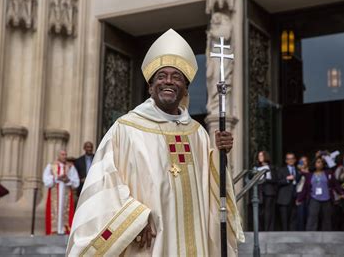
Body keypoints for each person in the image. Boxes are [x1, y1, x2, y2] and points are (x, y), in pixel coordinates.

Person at [66, 28, 244, 256]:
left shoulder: (197, 133)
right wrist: (135, 216)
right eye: (161, 76)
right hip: (149, 242)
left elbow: (208, 190)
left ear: (186, 88)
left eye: (176, 76)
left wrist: (220, 154)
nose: (168, 81)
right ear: (150, 87)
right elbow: (104, 184)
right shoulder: (126, 129)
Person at [297, 156, 344, 231]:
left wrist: (341, 193)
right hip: (314, 198)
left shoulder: (328, 173)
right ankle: (310, 236)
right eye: (318, 162)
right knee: (312, 217)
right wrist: (300, 199)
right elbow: (305, 188)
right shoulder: (309, 175)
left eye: (321, 162)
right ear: (314, 164)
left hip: (327, 198)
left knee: (327, 219)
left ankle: (326, 237)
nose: (320, 164)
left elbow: (335, 184)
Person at [43, 149, 80, 235]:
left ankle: (64, 229)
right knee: (55, 210)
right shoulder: (51, 166)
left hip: (66, 193)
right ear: (58, 155)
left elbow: (76, 181)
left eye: (65, 154)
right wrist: (56, 178)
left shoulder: (70, 166)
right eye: (63, 155)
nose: (65, 156)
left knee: (65, 210)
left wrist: (68, 180)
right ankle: (54, 230)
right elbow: (46, 179)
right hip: (54, 192)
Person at [276, 152, 302, 231]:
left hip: (295, 198)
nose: (290, 160)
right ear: (286, 161)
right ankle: (284, 236)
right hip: (284, 198)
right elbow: (277, 182)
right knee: (284, 220)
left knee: (293, 219)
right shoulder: (281, 170)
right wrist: (287, 179)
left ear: (295, 160)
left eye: (292, 159)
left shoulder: (298, 171)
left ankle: (292, 236)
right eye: (288, 159)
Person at [253, 151, 277, 231]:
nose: (260, 157)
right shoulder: (256, 167)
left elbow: (275, 180)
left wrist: (265, 179)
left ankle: (268, 229)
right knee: (260, 211)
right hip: (259, 192)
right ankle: (260, 229)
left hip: (269, 191)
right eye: (259, 155)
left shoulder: (271, 167)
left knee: (268, 211)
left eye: (261, 155)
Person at [295, 155, 310, 231]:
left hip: (309, 196)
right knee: (300, 216)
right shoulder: (297, 172)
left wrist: (306, 172)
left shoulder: (310, 171)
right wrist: (301, 172)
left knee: (308, 215)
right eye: (302, 161)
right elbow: (296, 181)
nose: (303, 163)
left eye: (305, 161)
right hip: (300, 195)